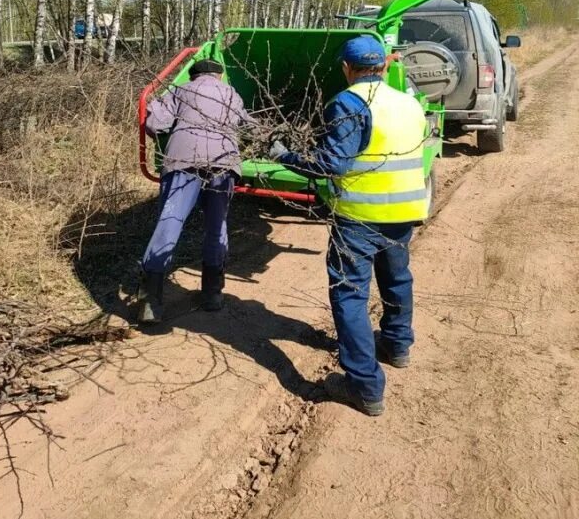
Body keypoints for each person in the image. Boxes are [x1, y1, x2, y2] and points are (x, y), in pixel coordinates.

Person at [269, 35, 428, 416]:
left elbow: (332, 165)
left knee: (350, 296)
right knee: (396, 280)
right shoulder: (408, 103)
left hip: (359, 218)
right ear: (385, 66)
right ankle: (397, 345)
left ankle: (365, 388)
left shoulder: (348, 102)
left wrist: (285, 155)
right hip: (403, 212)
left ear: (346, 68)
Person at [138, 58, 252, 324]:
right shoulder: (231, 93)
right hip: (223, 163)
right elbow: (248, 126)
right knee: (216, 226)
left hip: (183, 160)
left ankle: (150, 303)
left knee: (170, 224)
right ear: (220, 77)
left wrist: (154, 105)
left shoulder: (181, 90)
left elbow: (156, 124)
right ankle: (212, 294)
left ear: (193, 76)